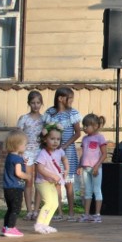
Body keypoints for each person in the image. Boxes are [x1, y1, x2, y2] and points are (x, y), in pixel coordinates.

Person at [44, 87, 82, 221]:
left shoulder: (72, 113)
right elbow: (45, 131)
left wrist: (65, 145)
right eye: (69, 98)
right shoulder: (50, 113)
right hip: (53, 152)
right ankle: (58, 211)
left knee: (68, 182)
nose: (71, 101)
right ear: (60, 98)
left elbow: (78, 133)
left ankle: (71, 212)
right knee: (56, 182)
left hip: (68, 152)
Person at [34, 123, 66, 235]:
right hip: (43, 182)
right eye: (52, 139)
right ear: (45, 140)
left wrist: (66, 169)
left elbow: (64, 158)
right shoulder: (43, 154)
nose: (55, 141)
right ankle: (39, 224)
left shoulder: (59, 151)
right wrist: (52, 175)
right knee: (48, 203)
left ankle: (45, 224)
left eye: (58, 139)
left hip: (51, 183)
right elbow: (40, 168)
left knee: (55, 204)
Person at [17, 90, 44, 221]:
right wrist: (20, 152)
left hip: (40, 152)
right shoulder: (24, 118)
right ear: (29, 103)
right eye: (33, 103)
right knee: (28, 181)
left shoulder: (44, 119)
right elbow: (18, 136)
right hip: (27, 151)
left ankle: (36, 210)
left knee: (39, 181)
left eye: (38, 103)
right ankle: (28, 210)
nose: (35, 105)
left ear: (41, 104)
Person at [78, 113, 107, 223]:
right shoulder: (84, 139)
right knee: (87, 191)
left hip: (96, 169)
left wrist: (97, 165)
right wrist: (79, 165)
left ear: (95, 126)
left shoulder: (100, 137)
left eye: (86, 126)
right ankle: (87, 214)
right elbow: (83, 153)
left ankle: (97, 214)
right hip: (86, 168)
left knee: (97, 190)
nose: (84, 128)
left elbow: (104, 154)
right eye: (83, 126)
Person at [2, 129, 29, 238]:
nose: (25, 146)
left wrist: (23, 163)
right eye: (24, 144)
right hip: (15, 187)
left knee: (10, 209)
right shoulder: (17, 158)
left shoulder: (10, 157)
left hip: (7, 187)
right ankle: (11, 228)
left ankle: (5, 227)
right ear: (18, 145)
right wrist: (28, 176)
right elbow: (18, 173)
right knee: (16, 209)